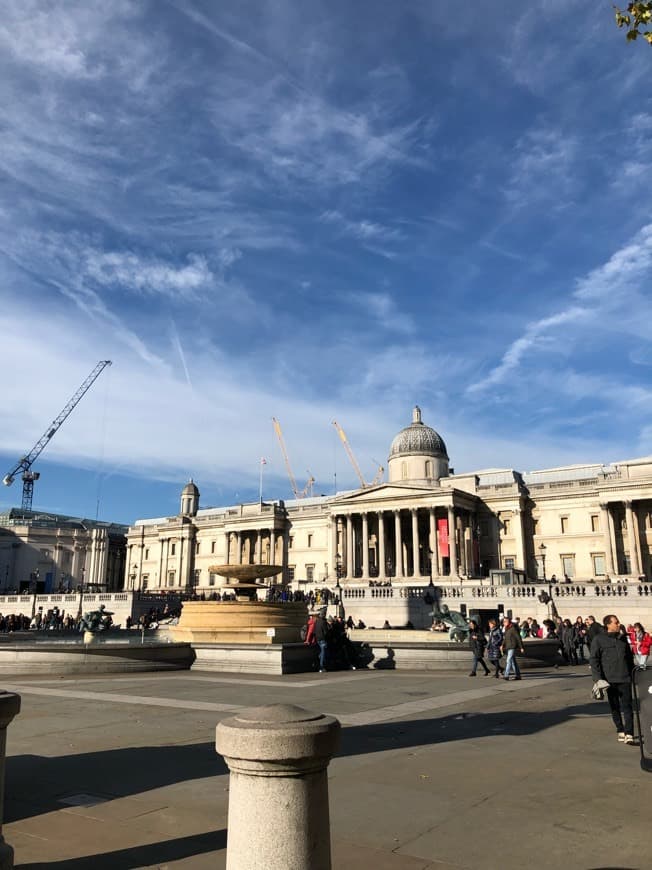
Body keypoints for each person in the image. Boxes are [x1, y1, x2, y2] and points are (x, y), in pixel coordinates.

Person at [590, 614, 635, 744]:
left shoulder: (622, 639)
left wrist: (633, 674)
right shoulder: (599, 640)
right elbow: (594, 659)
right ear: (608, 625)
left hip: (625, 677)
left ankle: (630, 733)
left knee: (627, 706)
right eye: (616, 622)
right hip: (609, 679)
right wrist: (597, 678)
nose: (618, 624)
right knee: (614, 706)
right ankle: (620, 729)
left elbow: (629, 658)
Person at [501, 616, 524, 680]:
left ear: (509, 622)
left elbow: (518, 638)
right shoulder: (506, 628)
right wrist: (502, 645)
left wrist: (521, 647)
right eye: (503, 621)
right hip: (508, 646)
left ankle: (506, 675)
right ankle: (518, 675)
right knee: (513, 661)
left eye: (505, 621)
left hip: (512, 646)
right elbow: (505, 638)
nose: (504, 623)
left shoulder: (513, 628)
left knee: (508, 660)